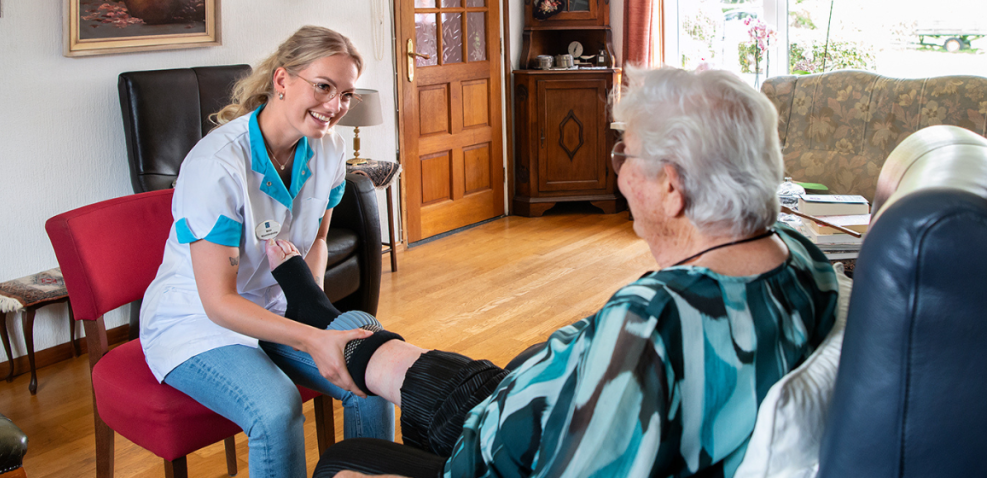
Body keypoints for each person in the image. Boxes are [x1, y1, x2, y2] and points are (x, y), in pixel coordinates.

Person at [262, 67, 840, 478]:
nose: (618, 176)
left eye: (624, 155)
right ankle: (332, 326)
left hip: (515, 442)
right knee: (429, 369)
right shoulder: (802, 258)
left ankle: (321, 320)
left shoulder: (653, 326)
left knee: (344, 460)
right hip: (542, 394)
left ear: (671, 187)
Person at [138, 25, 395, 477]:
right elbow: (218, 301)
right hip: (198, 324)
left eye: (346, 94)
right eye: (323, 87)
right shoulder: (215, 165)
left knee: (370, 365)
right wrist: (315, 339)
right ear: (281, 81)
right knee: (277, 409)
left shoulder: (329, 149)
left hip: (277, 310)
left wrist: (310, 307)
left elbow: (315, 241)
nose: (334, 107)